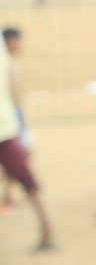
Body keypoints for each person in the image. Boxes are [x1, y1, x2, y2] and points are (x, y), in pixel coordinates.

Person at [0, 27, 54, 250]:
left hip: (7, 128)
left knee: (23, 173)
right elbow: (14, 98)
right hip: (7, 127)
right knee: (26, 177)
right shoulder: (8, 60)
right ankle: (47, 228)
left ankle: (47, 228)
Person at [1, 28, 33, 216]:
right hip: (11, 117)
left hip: (12, 116)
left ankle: (8, 195)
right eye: (18, 41)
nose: (21, 45)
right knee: (21, 155)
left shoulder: (9, 62)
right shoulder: (6, 64)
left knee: (21, 156)